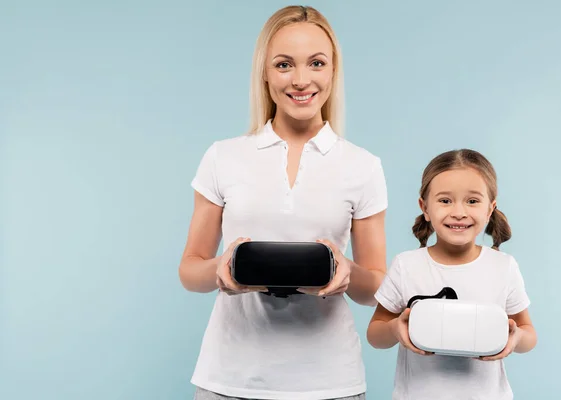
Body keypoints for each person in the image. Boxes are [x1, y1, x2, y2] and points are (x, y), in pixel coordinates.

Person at [178, 5, 388, 400]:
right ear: (265, 72)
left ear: (332, 71)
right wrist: (221, 269)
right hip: (230, 381)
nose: (301, 79)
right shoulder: (223, 156)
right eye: (284, 64)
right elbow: (189, 270)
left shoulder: (363, 166)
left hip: (330, 384)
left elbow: (375, 284)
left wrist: (345, 271)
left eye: (316, 63)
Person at [366, 149, 537, 400]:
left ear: (490, 210)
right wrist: (395, 329)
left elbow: (528, 334)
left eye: (472, 201)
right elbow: (375, 334)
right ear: (425, 207)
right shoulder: (407, 265)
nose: (459, 212)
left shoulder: (503, 267)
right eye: (445, 201)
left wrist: (516, 338)